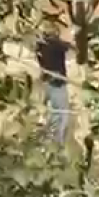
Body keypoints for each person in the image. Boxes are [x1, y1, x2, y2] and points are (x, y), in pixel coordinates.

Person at [36, 11, 73, 144]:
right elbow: (70, 49)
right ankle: (57, 141)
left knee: (56, 113)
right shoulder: (57, 45)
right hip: (58, 82)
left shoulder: (41, 46)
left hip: (48, 81)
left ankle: (49, 139)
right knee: (62, 114)